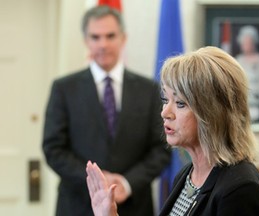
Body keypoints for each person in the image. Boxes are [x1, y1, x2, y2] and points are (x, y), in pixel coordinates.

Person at [86, 46, 259, 216]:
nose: (165, 112)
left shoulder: (242, 190)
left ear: (212, 113)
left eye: (180, 103)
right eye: (166, 100)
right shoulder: (186, 176)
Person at [42, 5, 170, 216]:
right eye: (95, 37)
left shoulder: (149, 90)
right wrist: (97, 183)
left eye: (110, 36)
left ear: (123, 38)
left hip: (134, 205)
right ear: (86, 41)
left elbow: (161, 148)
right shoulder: (64, 88)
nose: (103, 44)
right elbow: (53, 148)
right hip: (77, 206)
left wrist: (127, 183)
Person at [235, 25, 259, 121]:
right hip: (241, 102)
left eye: (247, 43)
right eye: (243, 43)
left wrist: (253, 92)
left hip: (257, 103)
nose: (244, 46)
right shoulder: (238, 60)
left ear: (254, 43)